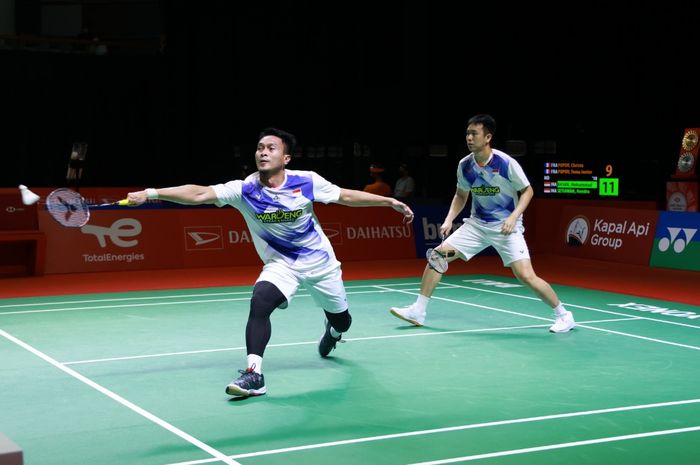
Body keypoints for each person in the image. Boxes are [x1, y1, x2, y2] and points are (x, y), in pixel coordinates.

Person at [127, 128, 414, 398]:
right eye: (260, 148)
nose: (263, 152)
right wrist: (151, 193)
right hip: (282, 264)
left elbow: (346, 196)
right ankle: (254, 375)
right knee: (260, 301)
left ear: (285, 158)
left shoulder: (307, 181)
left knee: (343, 320)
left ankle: (333, 331)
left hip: (321, 264)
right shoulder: (244, 189)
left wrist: (388, 202)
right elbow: (199, 193)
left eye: (271, 148)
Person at [389, 114, 575, 333]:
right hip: (476, 226)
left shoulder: (505, 163)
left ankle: (564, 315)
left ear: (487, 137)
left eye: (474, 133)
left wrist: (514, 216)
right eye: (467, 133)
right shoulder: (465, 165)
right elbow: (461, 195)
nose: (469, 137)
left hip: (506, 228)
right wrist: (449, 219)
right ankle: (418, 311)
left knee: (525, 275)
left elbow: (527, 191)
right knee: (438, 256)